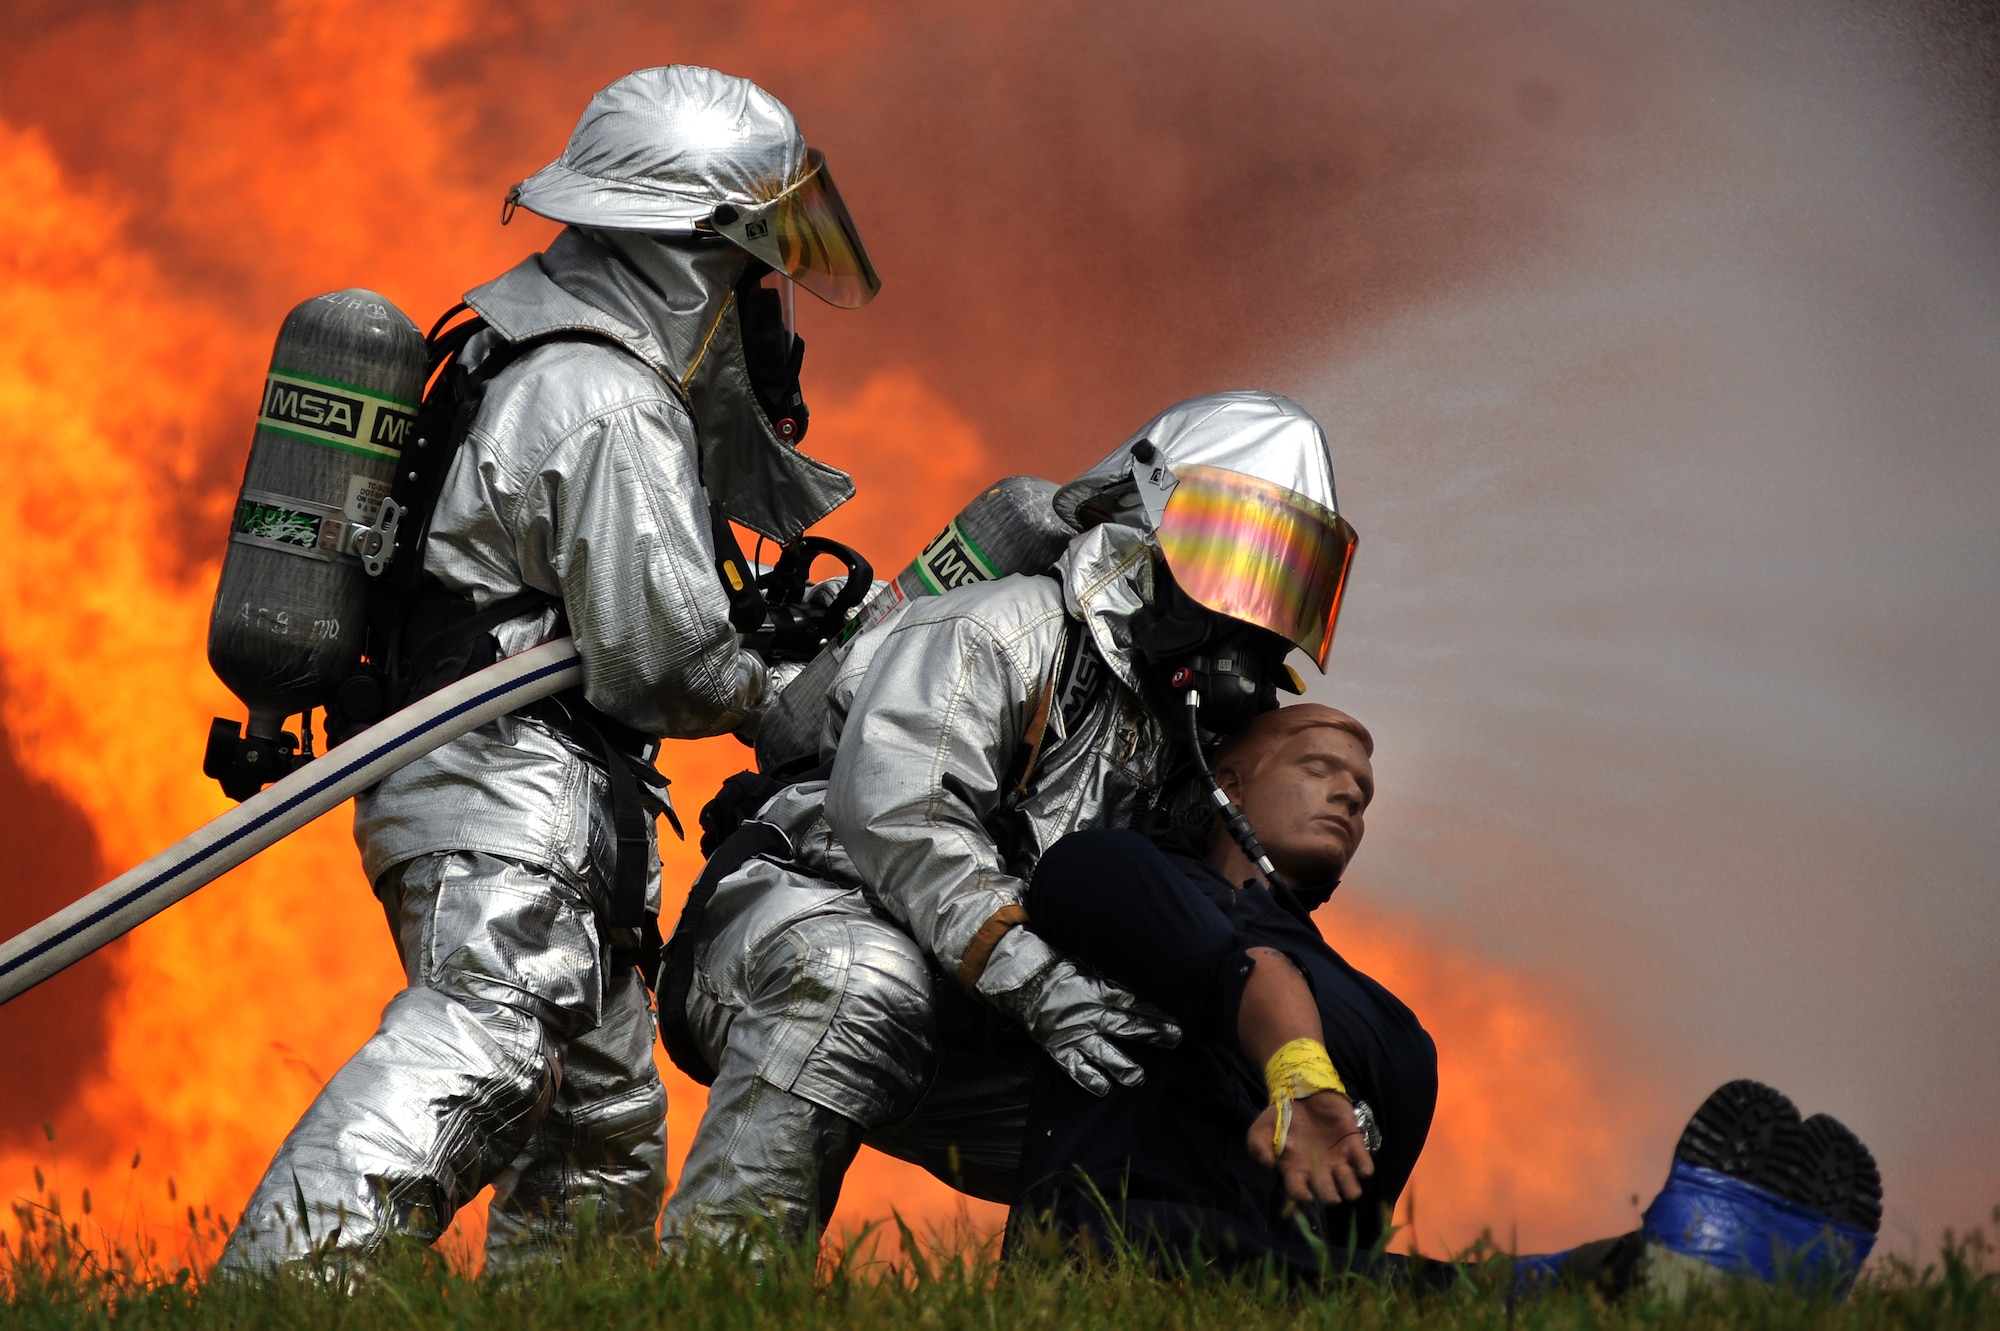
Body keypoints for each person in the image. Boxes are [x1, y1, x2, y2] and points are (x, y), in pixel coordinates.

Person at [218, 65, 881, 1272]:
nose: (767, 303)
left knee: (597, 1118)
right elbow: (666, 658)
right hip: (503, 778)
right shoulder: (608, 399)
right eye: (753, 263)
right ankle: (288, 1278)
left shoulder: (534, 350)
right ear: (691, 255)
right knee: (485, 1038)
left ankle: (559, 1303)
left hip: (533, 787)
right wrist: (779, 705)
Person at [659, 389, 1361, 1252]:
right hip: (801, 929)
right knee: (862, 980)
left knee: (1186, 1099)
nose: (1252, 606)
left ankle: (1079, 1299)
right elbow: (902, 817)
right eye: (1235, 555)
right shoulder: (1004, 630)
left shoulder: (1193, 749)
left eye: (1282, 578)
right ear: (1151, 518)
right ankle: (718, 1289)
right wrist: (1042, 983)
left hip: (979, 1007)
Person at [1013, 703, 1883, 1295]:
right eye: (1319, 766)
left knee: (1397, 1292)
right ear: (1228, 782)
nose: (1352, 793)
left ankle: (1683, 1275)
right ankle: (1647, 1275)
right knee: (1471, 1295)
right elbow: (1231, 966)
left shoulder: (1390, 1031)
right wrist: (1299, 1071)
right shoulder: (1113, 866)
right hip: (1106, 1245)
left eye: (1363, 790)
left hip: (1288, 1279)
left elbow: (1350, 1237)